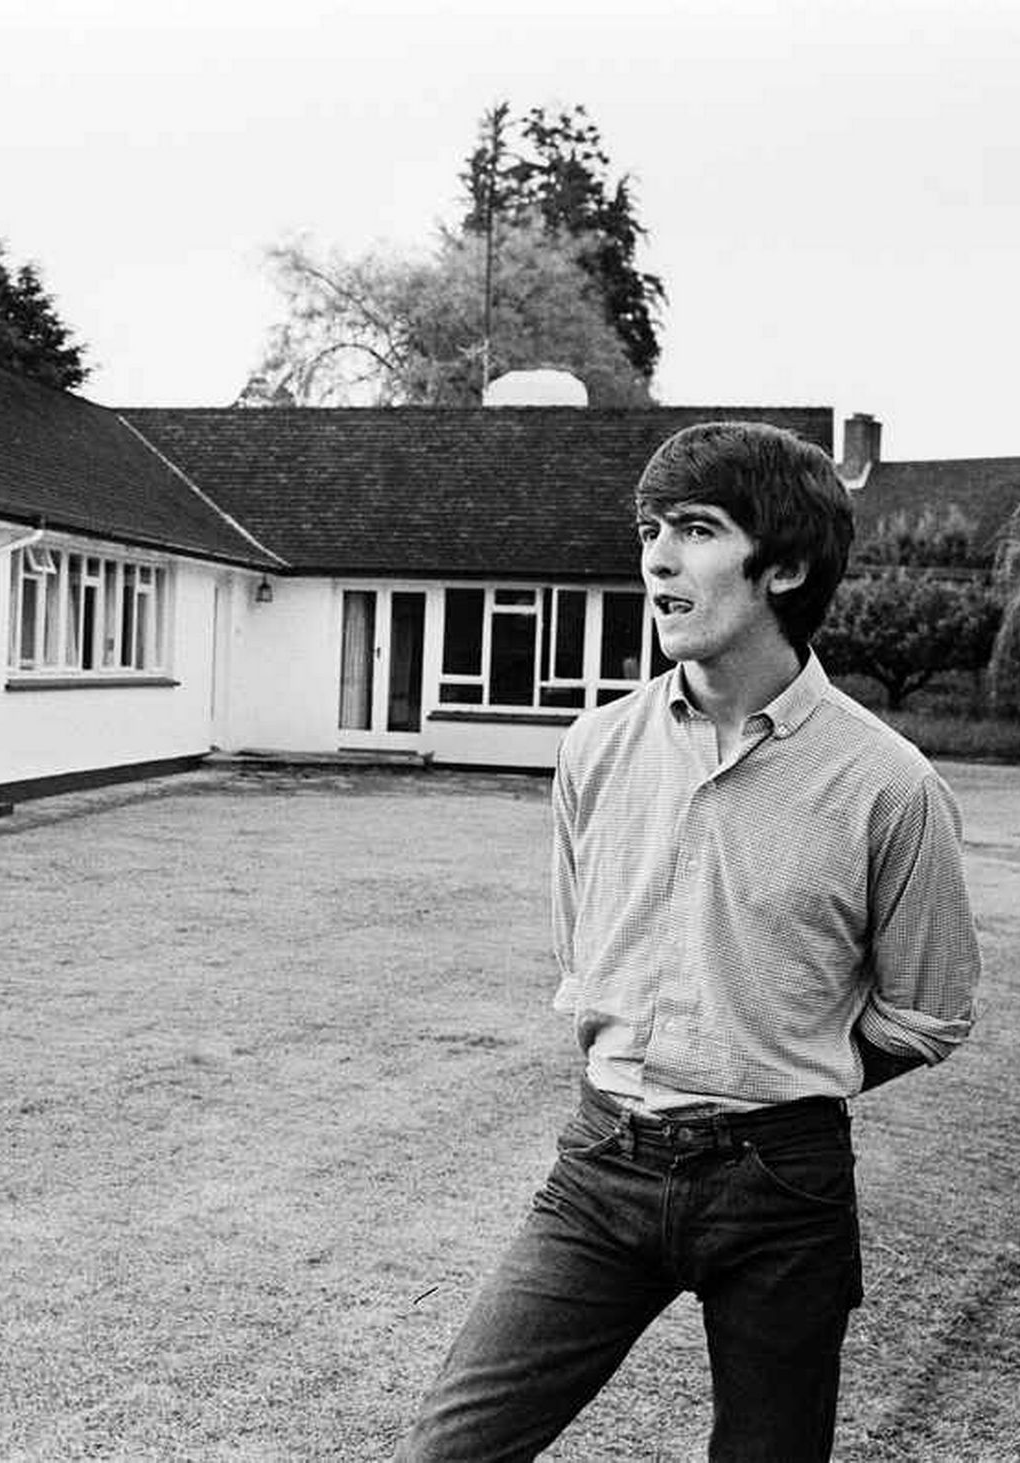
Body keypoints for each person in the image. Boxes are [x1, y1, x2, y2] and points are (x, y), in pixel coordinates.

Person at [395, 421, 981, 1462]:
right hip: (601, 1164)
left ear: (785, 566)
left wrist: (778, 1070)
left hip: (779, 1187)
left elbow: (927, 1013)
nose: (656, 557)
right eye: (649, 528)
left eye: (696, 530)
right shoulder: (596, 744)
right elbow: (585, 951)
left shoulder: (889, 786)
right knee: (452, 1447)